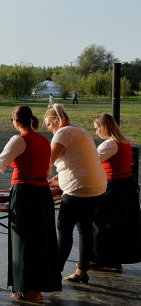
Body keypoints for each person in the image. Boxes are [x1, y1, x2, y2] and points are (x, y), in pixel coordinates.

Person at [0, 106, 61, 303]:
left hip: (26, 193)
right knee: (41, 241)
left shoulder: (18, 139)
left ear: (16, 122)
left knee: (24, 241)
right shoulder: (43, 139)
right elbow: (48, 169)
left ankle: (27, 289)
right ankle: (36, 290)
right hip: (42, 193)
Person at [44, 104, 107, 284]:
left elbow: (47, 161)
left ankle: (54, 272)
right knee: (85, 228)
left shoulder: (63, 133)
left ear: (56, 120)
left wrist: (38, 178)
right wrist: (59, 178)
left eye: (48, 124)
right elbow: (77, 159)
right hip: (96, 185)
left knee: (63, 228)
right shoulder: (79, 130)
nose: (48, 128)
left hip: (78, 186)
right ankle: (82, 271)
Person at [91, 114, 141, 271]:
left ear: (105, 127)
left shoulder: (110, 145)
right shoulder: (124, 142)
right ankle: (113, 260)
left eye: (97, 128)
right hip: (126, 185)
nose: (96, 132)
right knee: (118, 225)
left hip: (113, 187)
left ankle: (100, 258)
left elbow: (91, 163)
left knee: (101, 222)